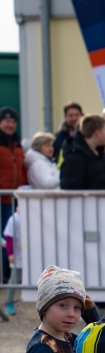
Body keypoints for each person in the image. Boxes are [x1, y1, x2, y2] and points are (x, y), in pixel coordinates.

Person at [0, 106, 26, 284]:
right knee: (3, 239)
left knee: (11, 238)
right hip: (2, 197)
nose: (10, 124)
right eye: (7, 121)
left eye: (13, 121)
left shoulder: (18, 145)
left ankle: (10, 274)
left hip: (14, 199)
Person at [59, 115, 105, 190]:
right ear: (97, 133)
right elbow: (71, 191)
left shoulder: (104, 156)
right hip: (88, 201)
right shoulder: (74, 159)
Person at [4, 209, 19, 315]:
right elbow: (9, 237)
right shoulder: (14, 219)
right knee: (14, 279)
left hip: (32, 256)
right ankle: (9, 303)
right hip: (18, 256)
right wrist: (10, 253)